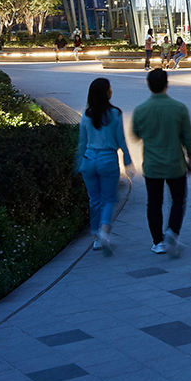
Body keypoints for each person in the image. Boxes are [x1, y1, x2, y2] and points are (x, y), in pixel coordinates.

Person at [131, 68, 191, 257]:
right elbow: (188, 138)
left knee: (154, 202)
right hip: (175, 163)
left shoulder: (140, 110)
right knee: (178, 199)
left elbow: (136, 134)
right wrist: (190, 159)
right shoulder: (179, 108)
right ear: (167, 84)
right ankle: (172, 231)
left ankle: (157, 242)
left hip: (152, 165)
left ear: (148, 85)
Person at [76, 77, 132, 255]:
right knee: (109, 199)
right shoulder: (115, 113)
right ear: (107, 93)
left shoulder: (86, 115)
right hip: (107, 159)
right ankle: (104, 229)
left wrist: (78, 163)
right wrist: (128, 161)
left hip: (89, 159)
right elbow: (121, 140)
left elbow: (82, 142)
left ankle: (97, 237)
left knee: (94, 200)